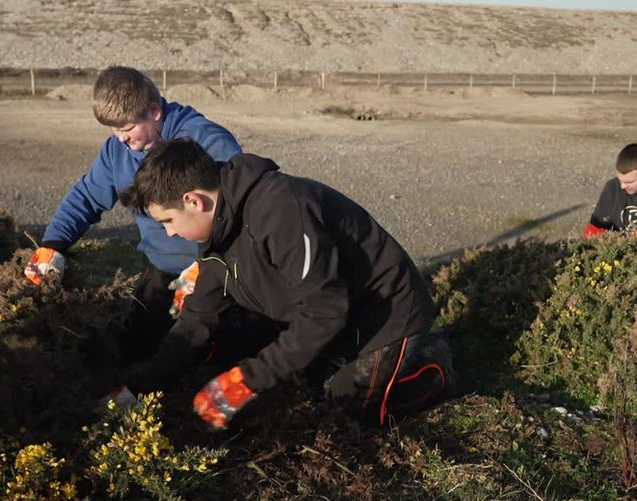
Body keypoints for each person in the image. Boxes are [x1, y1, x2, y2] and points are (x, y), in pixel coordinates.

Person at [108, 138, 454, 429]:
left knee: (350, 412)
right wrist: (138, 388)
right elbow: (198, 319)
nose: (169, 232)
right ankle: (341, 363)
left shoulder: (282, 211)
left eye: (167, 221)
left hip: (385, 315)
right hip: (333, 317)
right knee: (306, 387)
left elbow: (323, 314)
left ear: (193, 201)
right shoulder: (217, 234)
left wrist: (249, 380)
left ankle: (432, 362)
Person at [23, 66, 242, 361]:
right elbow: (87, 196)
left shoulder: (207, 142)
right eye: (114, 130)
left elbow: (242, 205)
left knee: (207, 357)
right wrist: (53, 246)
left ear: (154, 111)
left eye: (126, 129)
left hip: (219, 270)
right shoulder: (117, 150)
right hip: (162, 268)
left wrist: (209, 266)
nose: (121, 138)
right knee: (136, 351)